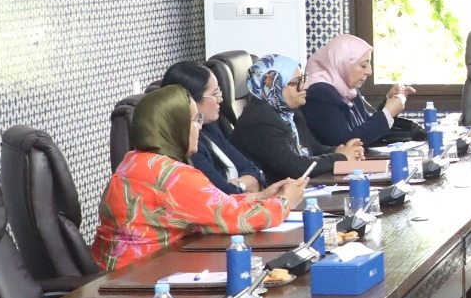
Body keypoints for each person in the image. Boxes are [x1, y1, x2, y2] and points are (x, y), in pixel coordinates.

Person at [91, 85, 302, 270]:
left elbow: (210, 204)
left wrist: (261, 197)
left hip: (120, 272)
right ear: (174, 127)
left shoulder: (133, 161)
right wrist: (284, 202)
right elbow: (237, 219)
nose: (199, 127)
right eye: (194, 120)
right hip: (145, 276)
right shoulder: (173, 176)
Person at [233, 54, 378, 182]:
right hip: (273, 195)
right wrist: (341, 157)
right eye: (298, 82)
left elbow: (312, 148)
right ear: (273, 86)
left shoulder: (289, 112)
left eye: (304, 79)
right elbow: (295, 167)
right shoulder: (260, 119)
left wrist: (340, 150)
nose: (306, 86)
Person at [161, 61, 264, 196]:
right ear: (191, 100)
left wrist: (239, 184)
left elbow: (254, 171)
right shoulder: (189, 146)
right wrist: (245, 187)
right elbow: (222, 193)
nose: (220, 100)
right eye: (215, 94)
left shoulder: (211, 128)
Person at [298, 35, 419, 150]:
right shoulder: (319, 93)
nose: (369, 71)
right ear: (342, 63)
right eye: (363, 65)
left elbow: (365, 129)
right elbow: (346, 143)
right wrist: (387, 113)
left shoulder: (349, 90)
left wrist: (389, 102)